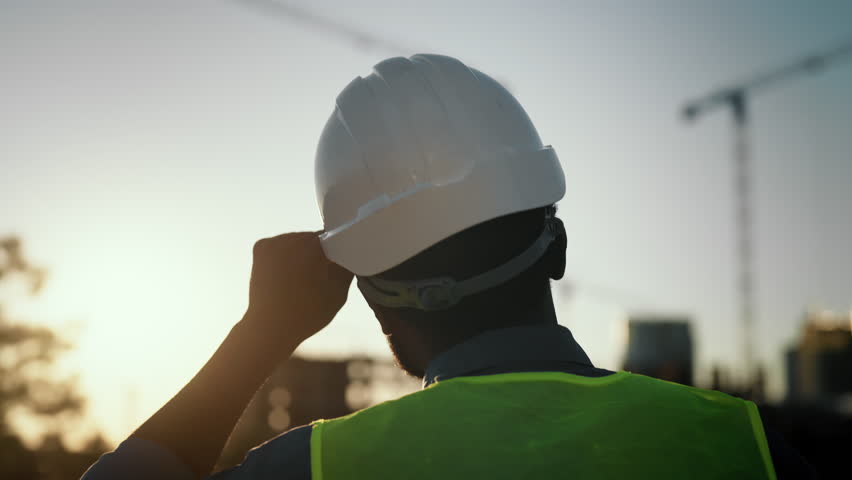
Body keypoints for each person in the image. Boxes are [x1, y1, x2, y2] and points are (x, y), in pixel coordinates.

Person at [82, 54, 815, 479]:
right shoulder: (744, 446)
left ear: (369, 297)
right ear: (556, 250)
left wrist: (261, 333)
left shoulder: (318, 468)